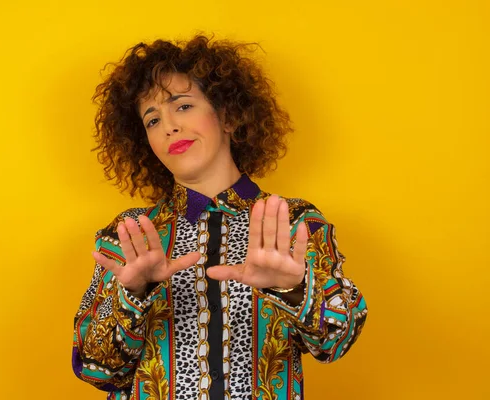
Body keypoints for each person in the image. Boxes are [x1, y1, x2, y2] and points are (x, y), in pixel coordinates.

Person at [72, 35, 367, 400]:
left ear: (227, 115)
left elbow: (337, 341)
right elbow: (94, 368)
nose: (168, 126)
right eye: (152, 119)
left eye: (182, 107)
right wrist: (132, 295)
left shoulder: (295, 222)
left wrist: (294, 289)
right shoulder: (131, 234)